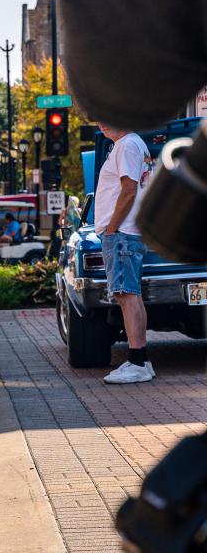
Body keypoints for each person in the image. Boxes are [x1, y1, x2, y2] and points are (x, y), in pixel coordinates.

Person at [97, 124, 156, 384]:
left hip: (122, 233)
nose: (101, 122)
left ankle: (137, 363)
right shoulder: (133, 144)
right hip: (127, 232)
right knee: (132, 295)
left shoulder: (127, 145)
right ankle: (140, 359)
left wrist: (111, 229)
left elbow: (129, 189)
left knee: (126, 295)